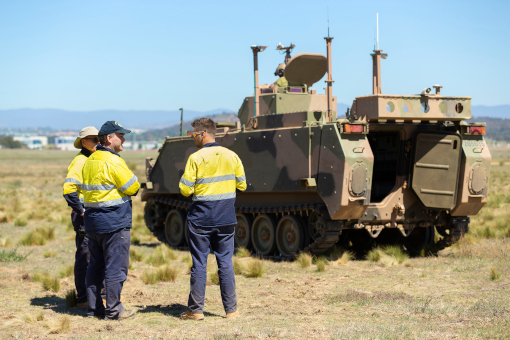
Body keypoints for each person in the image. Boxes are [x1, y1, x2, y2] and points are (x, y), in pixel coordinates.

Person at [179, 118, 247, 320]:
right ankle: (231, 311)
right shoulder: (232, 156)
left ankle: (196, 311)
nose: (193, 138)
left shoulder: (196, 158)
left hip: (201, 219)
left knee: (199, 264)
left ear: (202, 133)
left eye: (193, 134)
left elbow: (184, 189)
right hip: (226, 218)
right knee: (225, 263)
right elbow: (242, 185)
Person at [82, 121, 140, 320]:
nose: (123, 139)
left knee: (95, 267)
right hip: (114, 222)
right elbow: (132, 187)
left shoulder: (89, 160)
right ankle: (114, 310)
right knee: (115, 267)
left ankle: (93, 309)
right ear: (109, 138)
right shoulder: (113, 161)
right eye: (120, 136)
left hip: (92, 223)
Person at [62, 126, 99, 309]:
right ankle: (83, 299)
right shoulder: (80, 161)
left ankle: (92, 297)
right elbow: (69, 190)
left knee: (95, 255)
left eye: (99, 139)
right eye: (94, 139)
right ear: (83, 142)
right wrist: (81, 210)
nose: (97, 143)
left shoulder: (93, 159)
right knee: (85, 255)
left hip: (92, 214)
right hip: (83, 215)